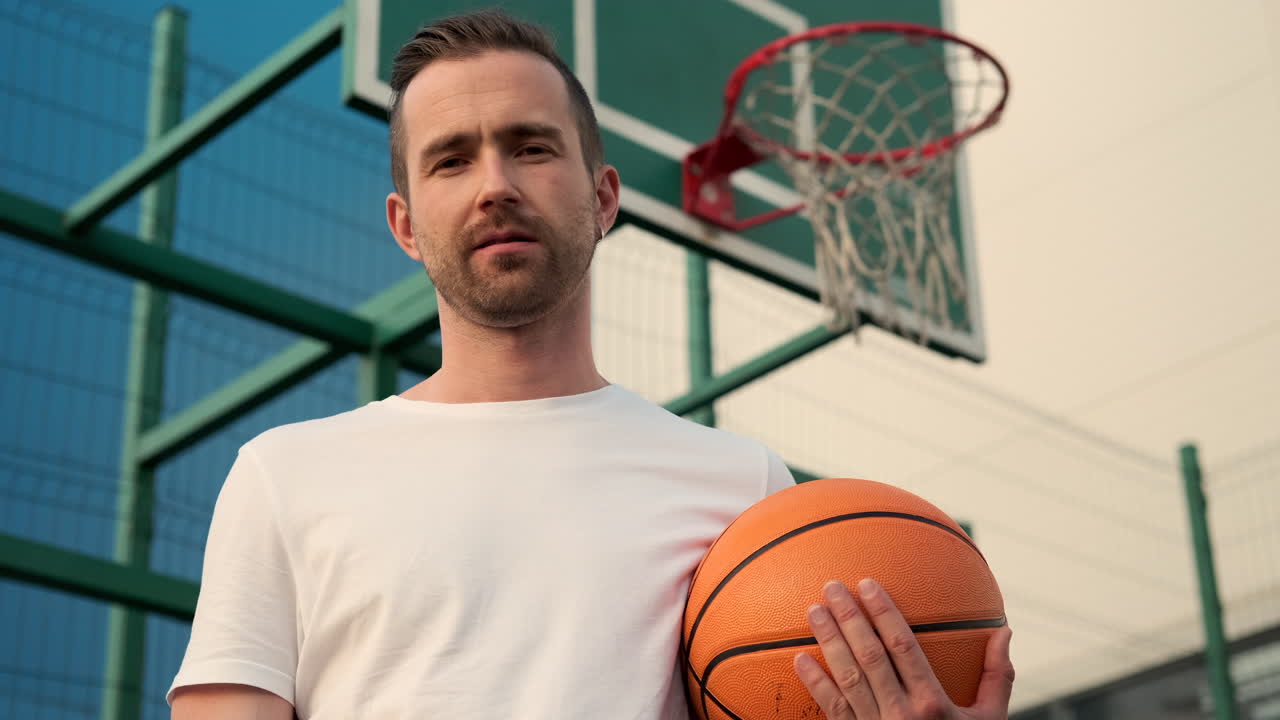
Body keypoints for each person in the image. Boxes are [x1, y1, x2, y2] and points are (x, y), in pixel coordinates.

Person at [167, 9, 1013, 720]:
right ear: (406, 226)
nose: (493, 183)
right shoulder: (287, 476)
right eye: (451, 159)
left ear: (604, 197)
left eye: (531, 147)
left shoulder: (742, 485)